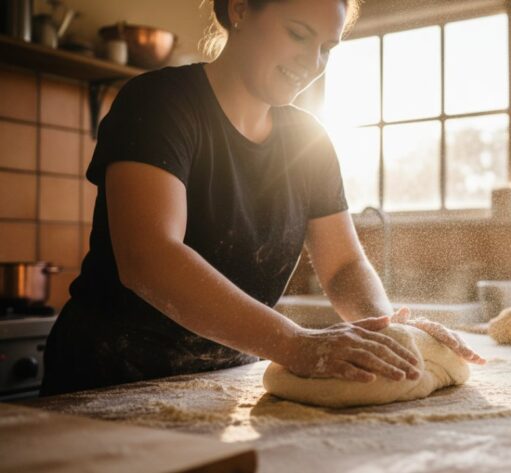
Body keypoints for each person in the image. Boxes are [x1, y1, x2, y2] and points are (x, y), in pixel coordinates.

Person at [41, 0, 485, 397]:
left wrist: (386, 330)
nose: (313, 62)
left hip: (217, 385)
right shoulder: (161, 103)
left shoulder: (308, 140)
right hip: (107, 381)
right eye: (298, 33)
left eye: (327, 48)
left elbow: (344, 266)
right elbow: (148, 257)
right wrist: (294, 343)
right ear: (238, 9)